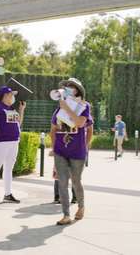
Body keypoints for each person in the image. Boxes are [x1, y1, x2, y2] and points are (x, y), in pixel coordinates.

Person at [50, 78, 92, 226]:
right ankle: (66, 215)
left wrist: (67, 108)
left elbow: (80, 123)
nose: (68, 89)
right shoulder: (58, 109)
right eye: (66, 87)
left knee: (76, 181)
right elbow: (53, 130)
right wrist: (53, 148)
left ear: (78, 90)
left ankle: (81, 207)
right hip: (60, 150)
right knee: (62, 182)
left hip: (77, 150)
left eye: (71, 87)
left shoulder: (84, 106)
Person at [0, 86, 26, 205]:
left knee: (9, 168)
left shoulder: (10, 108)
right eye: (10, 95)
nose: (12, 97)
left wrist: (21, 109)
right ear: (4, 95)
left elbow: (18, 122)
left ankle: (8, 194)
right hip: (0, 141)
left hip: (13, 141)